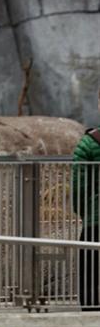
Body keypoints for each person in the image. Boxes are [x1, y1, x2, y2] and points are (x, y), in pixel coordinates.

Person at [72, 89, 100, 311]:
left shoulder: (89, 144)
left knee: (91, 268)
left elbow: (80, 187)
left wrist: (84, 212)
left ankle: (91, 313)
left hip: (96, 219)